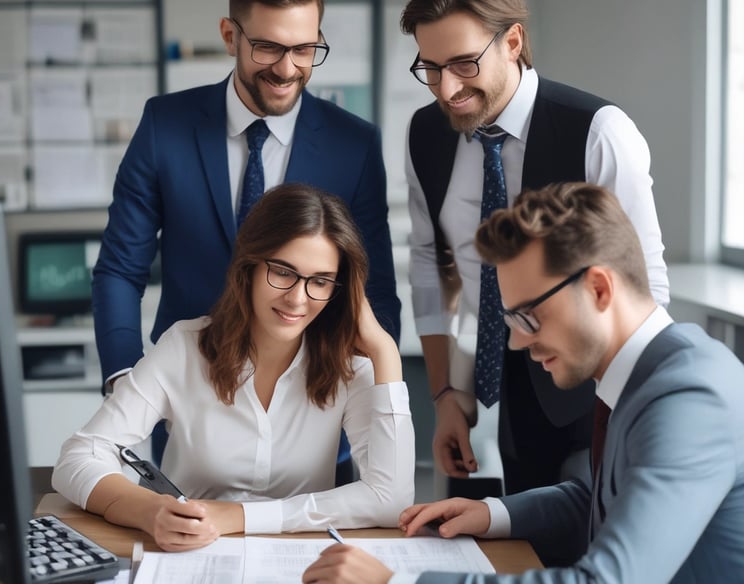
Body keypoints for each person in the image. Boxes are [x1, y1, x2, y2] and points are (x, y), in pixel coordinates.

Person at [302, 182, 744, 583]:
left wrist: (395, 583)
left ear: (599, 290)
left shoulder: (688, 396)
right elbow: (600, 497)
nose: (516, 342)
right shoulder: (654, 372)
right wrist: (491, 513)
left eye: (528, 316)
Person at [91, 0, 401, 479]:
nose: (287, 68)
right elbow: (119, 268)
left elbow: (373, 286)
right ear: (230, 36)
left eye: (304, 48)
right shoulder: (164, 125)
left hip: (314, 406)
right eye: (268, 47)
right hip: (187, 405)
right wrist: (127, 381)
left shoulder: (354, 144)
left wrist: (363, 396)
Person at [53, 184, 415, 551]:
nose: (297, 298)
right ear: (249, 267)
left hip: (303, 561)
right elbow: (78, 458)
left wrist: (385, 351)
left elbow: (392, 498)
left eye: (319, 281)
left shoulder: (351, 364)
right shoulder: (184, 347)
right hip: (190, 555)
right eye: (283, 272)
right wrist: (149, 509)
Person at [400, 0, 669, 494]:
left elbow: (647, 287)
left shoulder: (600, 132)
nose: (447, 88)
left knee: (578, 544)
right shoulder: (425, 133)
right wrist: (443, 394)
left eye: (464, 63)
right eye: (430, 68)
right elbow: (429, 263)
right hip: (480, 379)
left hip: (588, 391)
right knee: (486, 538)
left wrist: (624, 418)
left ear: (514, 42)